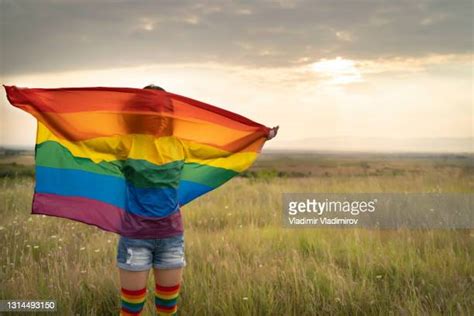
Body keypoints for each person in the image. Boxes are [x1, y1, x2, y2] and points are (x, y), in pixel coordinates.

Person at [116, 85, 279, 315]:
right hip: (135, 238)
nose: (159, 115)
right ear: (138, 112)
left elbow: (220, 150)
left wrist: (257, 136)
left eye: (164, 110)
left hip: (170, 238)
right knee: (131, 310)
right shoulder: (126, 144)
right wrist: (48, 116)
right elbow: (84, 143)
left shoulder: (178, 144)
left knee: (167, 309)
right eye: (152, 109)